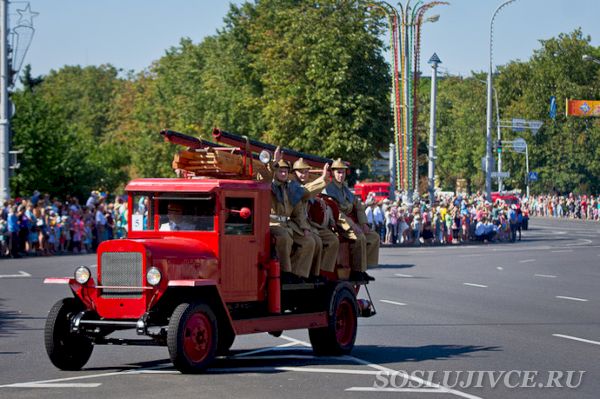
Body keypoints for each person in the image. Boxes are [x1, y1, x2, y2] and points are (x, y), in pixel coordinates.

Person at [323, 158, 379, 281]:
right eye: (338, 172)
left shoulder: (344, 189)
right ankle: (356, 271)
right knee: (359, 237)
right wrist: (353, 225)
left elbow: (358, 206)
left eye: (343, 172)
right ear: (332, 173)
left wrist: (364, 223)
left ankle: (363, 267)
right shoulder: (328, 189)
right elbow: (336, 212)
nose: (341, 175)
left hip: (350, 223)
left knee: (373, 237)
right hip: (338, 225)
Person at [270, 158, 316, 283]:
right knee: (285, 237)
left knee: (309, 241)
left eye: (285, 171)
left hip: (287, 223)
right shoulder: (270, 186)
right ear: (275, 171)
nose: (283, 174)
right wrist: (273, 163)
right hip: (272, 223)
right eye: (280, 171)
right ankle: (285, 272)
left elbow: (299, 212)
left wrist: (305, 227)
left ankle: (297, 274)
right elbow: (266, 175)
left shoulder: (290, 188)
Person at [292, 158, 338, 280]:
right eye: (300, 172)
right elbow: (304, 192)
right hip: (295, 222)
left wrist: (318, 199)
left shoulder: (303, 186)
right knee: (314, 241)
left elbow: (308, 192)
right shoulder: (292, 186)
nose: (303, 174)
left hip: (307, 223)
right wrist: (323, 178)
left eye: (306, 171)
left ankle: (321, 272)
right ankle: (299, 273)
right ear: (294, 173)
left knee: (332, 240)